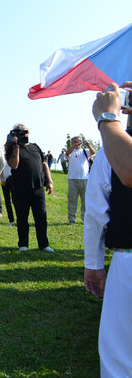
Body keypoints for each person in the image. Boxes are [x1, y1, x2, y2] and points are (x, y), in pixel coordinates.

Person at [84, 81, 132, 377]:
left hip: (128, 262)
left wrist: (106, 117)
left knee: (120, 359)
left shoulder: (109, 154)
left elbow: (96, 214)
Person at [6, 124, 54, 252]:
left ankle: (44, 245)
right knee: (22, 217)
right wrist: (16, 146)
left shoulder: (35, 146)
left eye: (25, 132)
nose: (23, 135)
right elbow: (13, 165)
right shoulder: (11, 148)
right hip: (20, 189)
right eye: (20, 133)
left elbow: (44, 164)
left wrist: (49, 181)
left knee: (41, 217)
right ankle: (23, 244)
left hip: (38, 188)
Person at [65, 136, 96, 224]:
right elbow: (67, 154)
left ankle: (85, 218)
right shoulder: (71, 151)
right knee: (72, 200)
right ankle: (71, 219)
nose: (77, 143)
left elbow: (93, 152)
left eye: (78, 141)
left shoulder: (85, 152)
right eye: (74, 141)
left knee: (85, 200)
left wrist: (89, 145)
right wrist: (73, 147)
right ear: (72, 143)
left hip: (85, 179)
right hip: (72, 179)